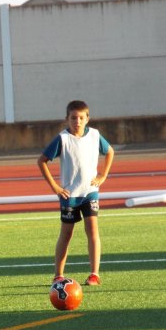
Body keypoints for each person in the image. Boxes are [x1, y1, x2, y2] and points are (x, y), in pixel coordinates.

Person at [37, 100, 115, 286]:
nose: (77, 121)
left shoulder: (95, 136)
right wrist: (55, 187)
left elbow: (110, 152)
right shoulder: (62, 139)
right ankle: (58, 274)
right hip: (70, 195)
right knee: (66, 234)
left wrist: (103, 175)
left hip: (90, 192)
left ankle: (94, 274)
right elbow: (42, 161)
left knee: (93, 231)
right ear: (67, 119)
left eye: (81, 117)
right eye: (73, 118)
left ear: (87, 118)